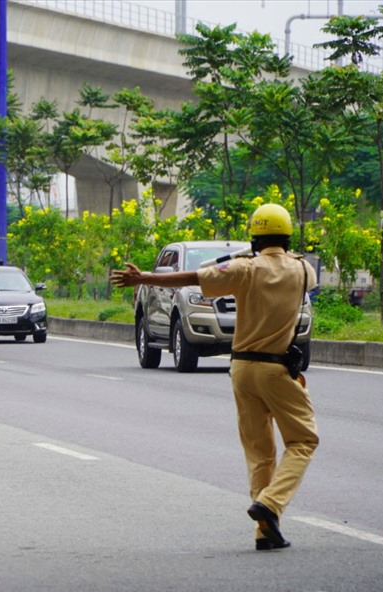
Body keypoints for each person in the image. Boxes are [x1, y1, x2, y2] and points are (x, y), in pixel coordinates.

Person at [110, 204, 319, 551]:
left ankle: (266, 531)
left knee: (259, 451)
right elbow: (296, 265)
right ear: (286, 237)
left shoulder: (243, 269)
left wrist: (144, 278)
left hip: (241, 369)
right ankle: (271, 504)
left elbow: (196, 276)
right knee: (303, 441)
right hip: (275, 368)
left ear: (254, 239)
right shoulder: (301, 270)